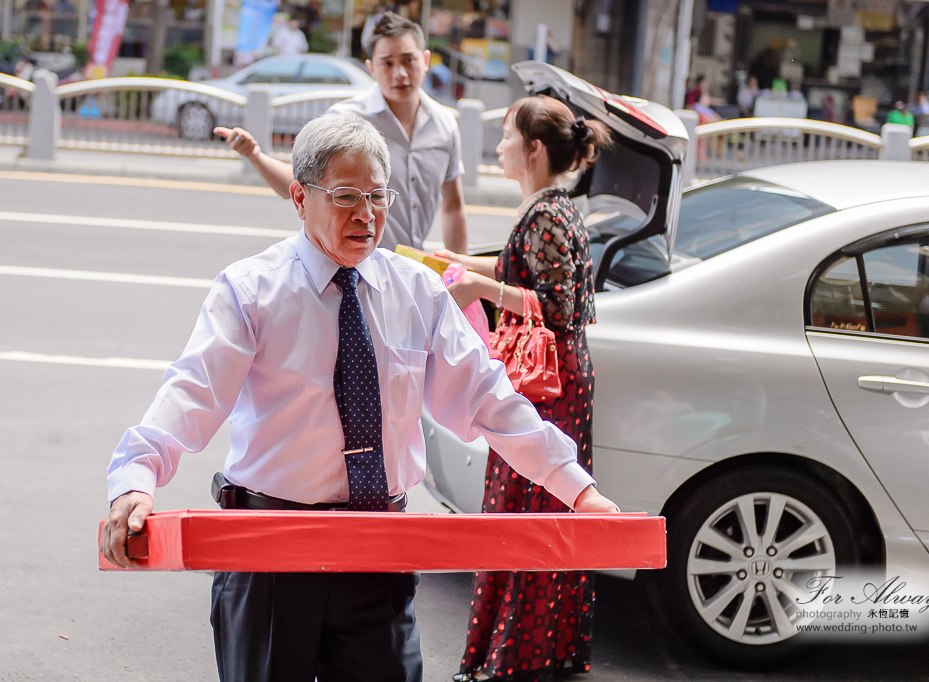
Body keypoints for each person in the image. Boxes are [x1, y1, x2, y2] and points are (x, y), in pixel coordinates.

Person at [99, 113, 620, 682]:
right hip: (273, 553)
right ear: (299, 197)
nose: (367, 216)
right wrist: (136, 477)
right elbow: (191, 392)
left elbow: (490, 401)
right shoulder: (251, 291)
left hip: (380, 552)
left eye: (377, 196)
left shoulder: (416, 291)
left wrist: (579, 491)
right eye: (346, 196)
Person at [434, 96, 612, 682]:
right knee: (537, 507)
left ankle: (516, 656)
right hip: (556, 381)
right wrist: (462, 264)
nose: (501, 146)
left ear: (535, 150)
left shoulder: (547, 217)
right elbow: (525, 275)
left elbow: (560, 307)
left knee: (527, 509)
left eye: (509, 136)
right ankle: (532, 650)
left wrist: (477, 291)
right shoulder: (550, 211)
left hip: (548, 385)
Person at [216, 13, 468, 254]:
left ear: (425, 60)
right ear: (371, 67)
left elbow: (453, 207)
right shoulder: (345, 119)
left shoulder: (444, 123)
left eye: (408, 60)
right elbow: (302, 186)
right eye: (387, 63)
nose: (399, 73)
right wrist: (255, 155)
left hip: (406, 274)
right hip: (350, 270)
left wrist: (461, 271)